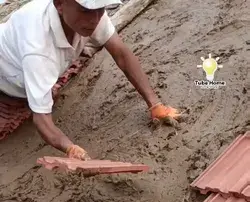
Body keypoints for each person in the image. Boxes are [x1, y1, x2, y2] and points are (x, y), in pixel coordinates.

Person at [0, 0, 181, 160]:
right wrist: (69, 148)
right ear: (59, 4)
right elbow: (41, 119)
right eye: (85, 10)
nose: (95, 19)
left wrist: (155, 104)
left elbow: (122, 54)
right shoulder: (38, 49)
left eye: (100, 9)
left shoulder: (89, 16)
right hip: (7, 79)